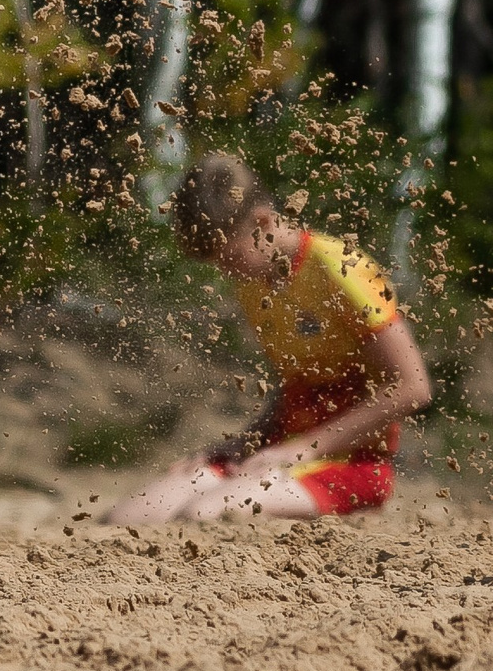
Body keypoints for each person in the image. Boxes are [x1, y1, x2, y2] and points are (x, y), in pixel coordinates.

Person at [107, 152, 432, 525]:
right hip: (279, 450)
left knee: (205, 513)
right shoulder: (254, 281)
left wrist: (302, 450)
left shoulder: (340, 267)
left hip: (352, 465)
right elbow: (298, 388)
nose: (225, 271)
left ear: (261, 221)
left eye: (227, 257)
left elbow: (413, 387)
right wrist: (244, 442)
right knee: (129, 517)